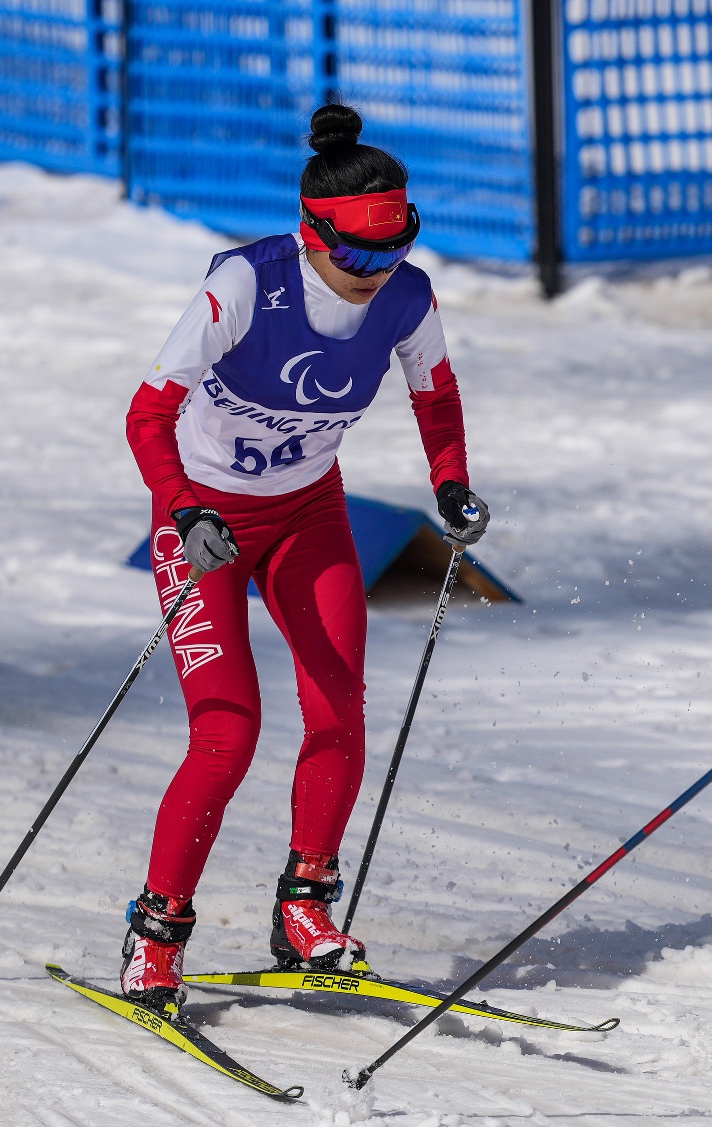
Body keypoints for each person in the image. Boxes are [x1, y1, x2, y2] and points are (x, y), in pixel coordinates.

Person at [117, 103, 489, 1015]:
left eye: (391, 250)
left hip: (308, 518)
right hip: (203, 525)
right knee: (227, 731)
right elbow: (146, 415)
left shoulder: (406, 294)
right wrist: (185, 505)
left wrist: (451, 484)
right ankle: (156, 932)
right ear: (310, 232)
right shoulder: (245, 287)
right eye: (355, 256)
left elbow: (435, 399)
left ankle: (305, 908)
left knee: (338, 709)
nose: (374, 274)